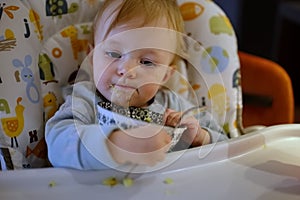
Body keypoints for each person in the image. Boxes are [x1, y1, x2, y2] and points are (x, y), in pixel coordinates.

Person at [45, 0, 227, 170]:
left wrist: (200, 137)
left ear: (165, 75)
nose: (127, 70)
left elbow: (228, 145)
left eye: (147, 62)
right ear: (92, 58)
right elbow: (57, 143)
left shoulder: (175, 106)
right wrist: (113, 145)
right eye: (114, 54)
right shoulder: (85, 99)